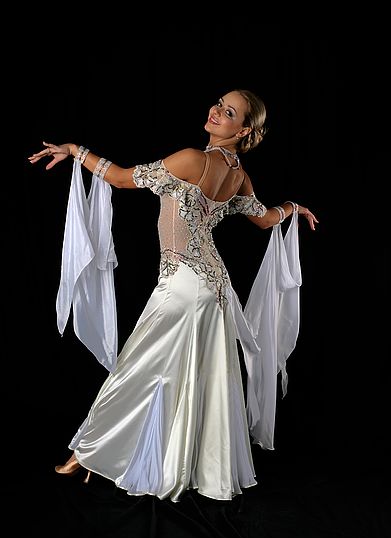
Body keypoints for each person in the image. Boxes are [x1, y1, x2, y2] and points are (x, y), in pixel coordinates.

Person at [28, 89, 318, 503]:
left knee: (136, 368)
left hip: (184, 282)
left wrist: (76, 150)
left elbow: (123, 178)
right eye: (219, 103)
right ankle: (170, 462)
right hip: (214, 286)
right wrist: (292, 206)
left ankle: (88, 453)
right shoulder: (239, 175)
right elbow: (266, 219)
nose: (216, 111)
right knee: (190, 376)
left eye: (229, 112)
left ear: (244, 130)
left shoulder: (191, 159)